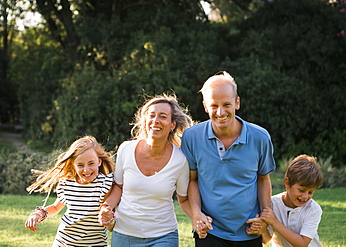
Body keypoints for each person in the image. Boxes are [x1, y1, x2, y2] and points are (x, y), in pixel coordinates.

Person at [181, 71, 276, 246]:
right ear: (205, 106)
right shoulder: (191, 137)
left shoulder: (260, 137)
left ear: (237, 103)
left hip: (249, 229)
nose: (220, 112)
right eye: (214, 105)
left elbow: (263, 179)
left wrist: (264, 219)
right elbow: (192, 180)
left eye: (226, 104)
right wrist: (196, 213)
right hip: (209, 229)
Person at [99, 94, 193, 247]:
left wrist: (198, 218)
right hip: (124, 234)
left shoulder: (180, 160)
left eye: (163, 116)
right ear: (145, 121)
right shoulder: (126, 149)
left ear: (172, 125)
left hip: (163, 236)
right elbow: (118, 186)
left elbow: (183, 199)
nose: (156, 121)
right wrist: (106, 207)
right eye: (152, 115)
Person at [25, 135, 114, 247]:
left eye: (91, 163)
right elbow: (56, 207)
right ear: (73, 165)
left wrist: (109, 216)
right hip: (64, 243)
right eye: (80, 165)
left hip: (94, 244)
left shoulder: (104, 183)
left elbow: (109, 213)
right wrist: (39, 213)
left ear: (99, 162)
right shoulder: (67, 183)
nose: (86, 170)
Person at [247, 154, 323, 247]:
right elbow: (267, 240)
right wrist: (260, 230)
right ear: (287, 183)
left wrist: (274, 221)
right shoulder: (272, 204)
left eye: (310, 192)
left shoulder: (313, 209)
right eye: (301, 190)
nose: (305, 196)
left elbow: (302, 243)